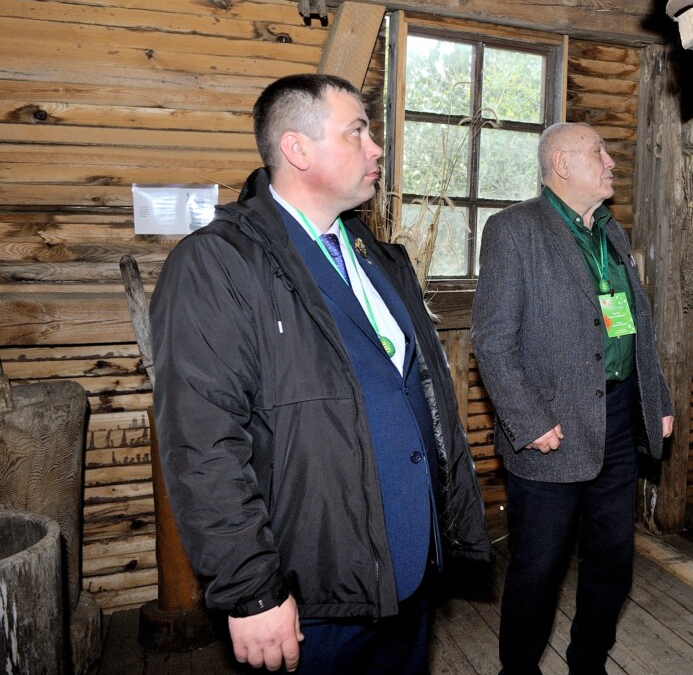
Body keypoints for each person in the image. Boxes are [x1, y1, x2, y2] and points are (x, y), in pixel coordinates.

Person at [151, 73, 490, 674]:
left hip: (407, 570)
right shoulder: (217, 263)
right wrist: (251, 589)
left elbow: (421, 397)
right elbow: (202, 443)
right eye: (357, 131)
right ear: (297, 149)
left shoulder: (379, 258)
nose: (376, 148)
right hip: (312, 592)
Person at [471, 121, 674, 675]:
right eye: (598, 152)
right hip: (552, 429)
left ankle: (589, 664)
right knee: (538, 570)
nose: (611, 161)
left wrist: (655, 398)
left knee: (612, 564)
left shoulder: (610, 231)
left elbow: (635, 326)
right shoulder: (514, 229)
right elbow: (492, 339)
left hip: (619, 419)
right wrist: (528, 420)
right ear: (561, 164)